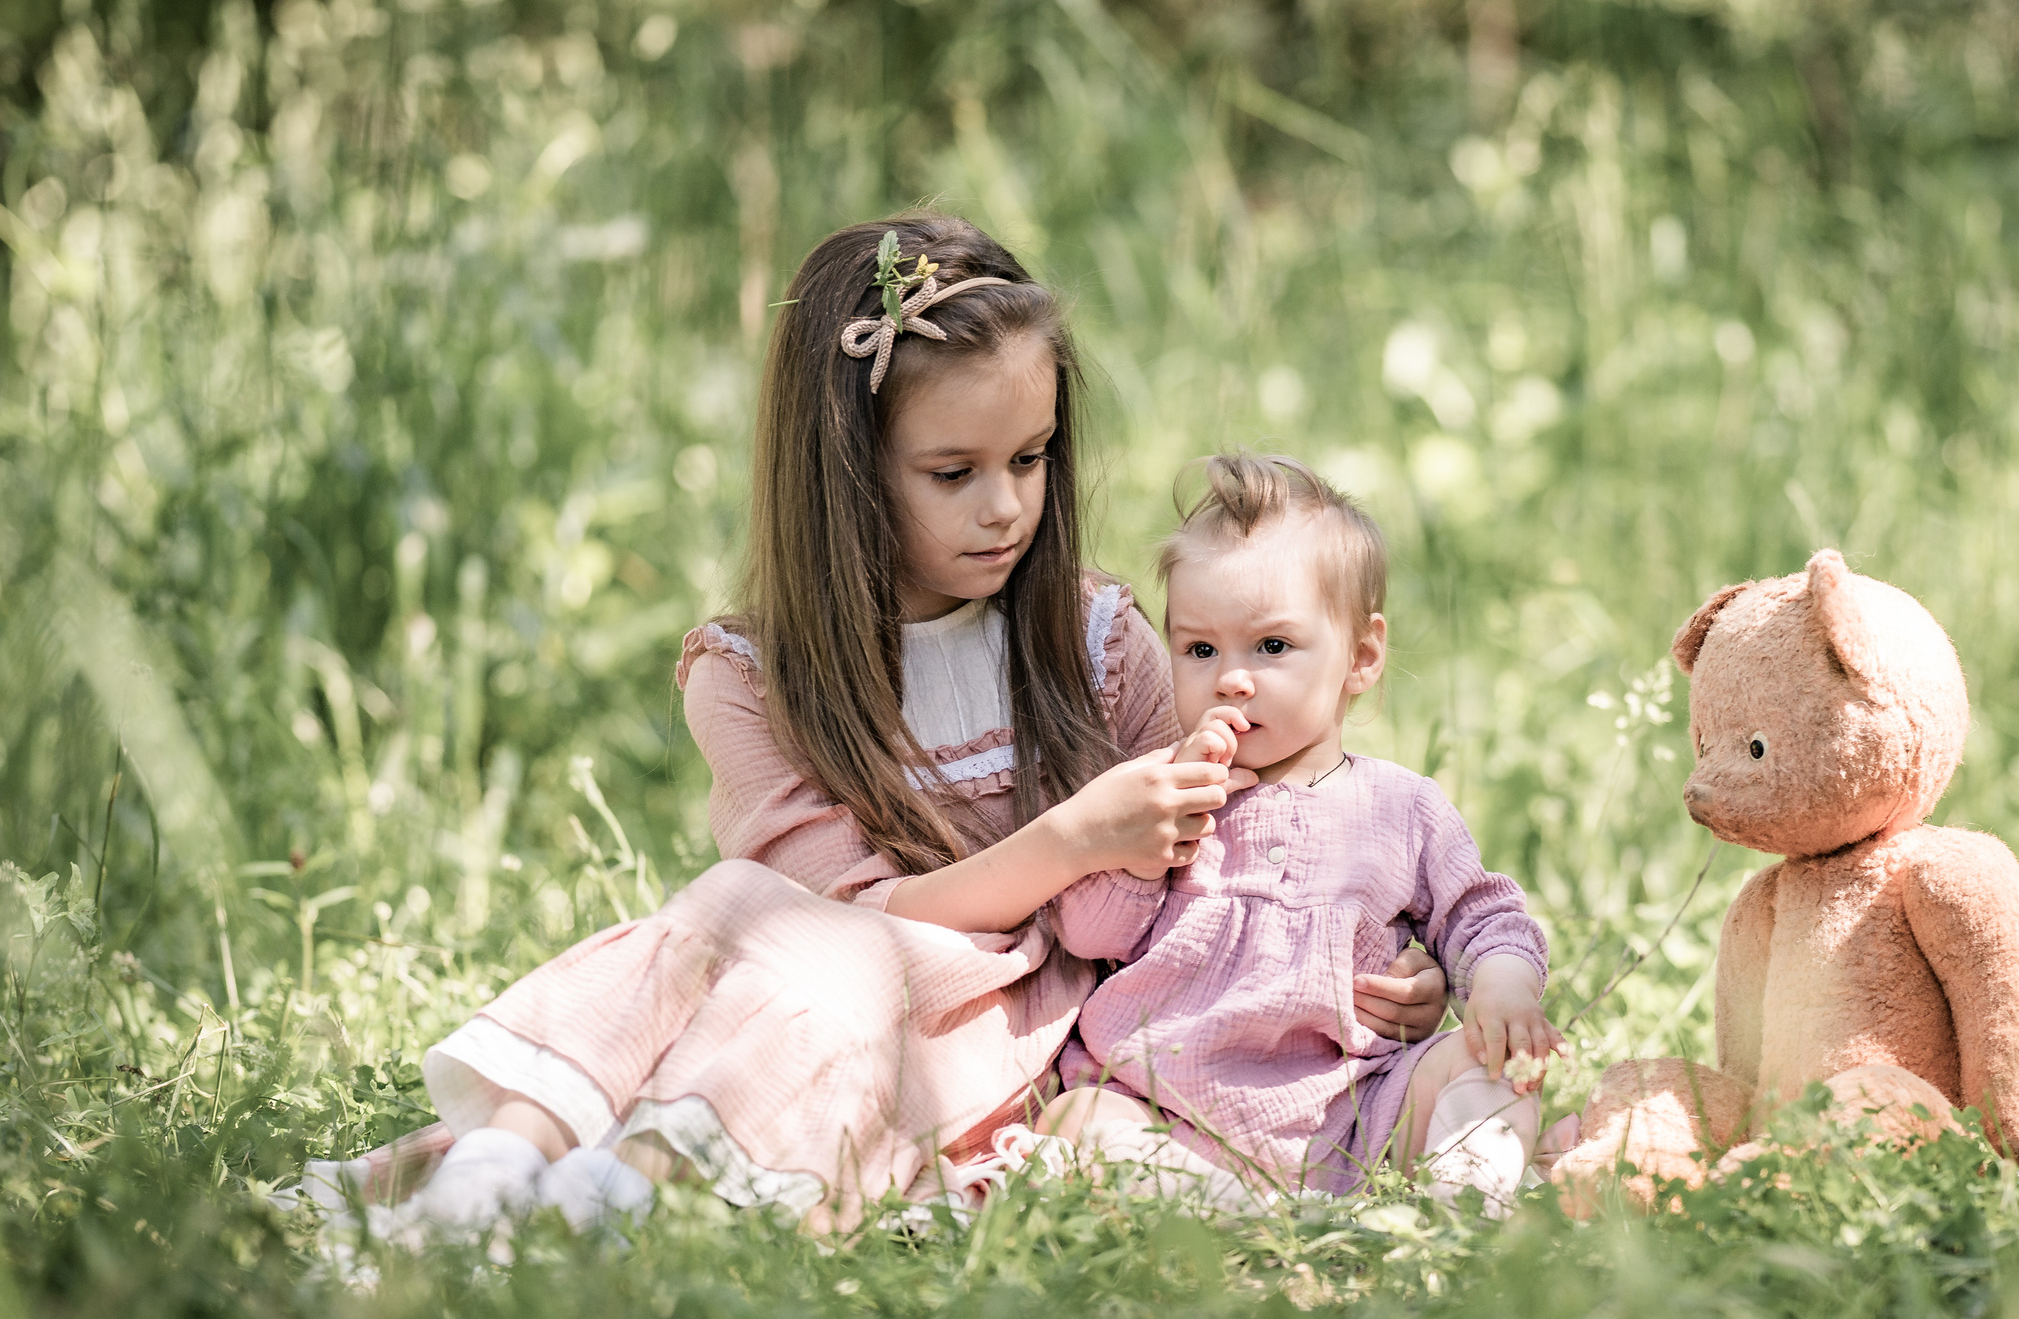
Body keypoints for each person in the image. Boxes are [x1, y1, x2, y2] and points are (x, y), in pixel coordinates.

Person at [341, 216, 1448, 1238]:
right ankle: (505, 1159)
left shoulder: (1094, 636)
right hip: (823, 974)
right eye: (953, 472)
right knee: (735, 908)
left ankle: (618, 1197)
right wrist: (1073, 839)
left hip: (992, 1033)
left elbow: (1244, 843)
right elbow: (838, 916)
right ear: (846, 470)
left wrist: (1372, 963)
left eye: (1030, 459)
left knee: (767, 945)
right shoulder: (751, 679)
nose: (1006, 506)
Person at [1036, 451, 1564, 1209]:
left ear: (1362, 656)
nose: (1231, 678)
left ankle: (1464, 1204)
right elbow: (1089, 931)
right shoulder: (1161, 792)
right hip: (1171, 1106)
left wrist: (1501, 986)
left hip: (1357, 1111)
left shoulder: (1401, 807)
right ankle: (1232, 1213)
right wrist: (1153, 841)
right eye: (1200, 649)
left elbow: (1483, 918)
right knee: (1078, 1119)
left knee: (1489, 1066)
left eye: (1272, 646)